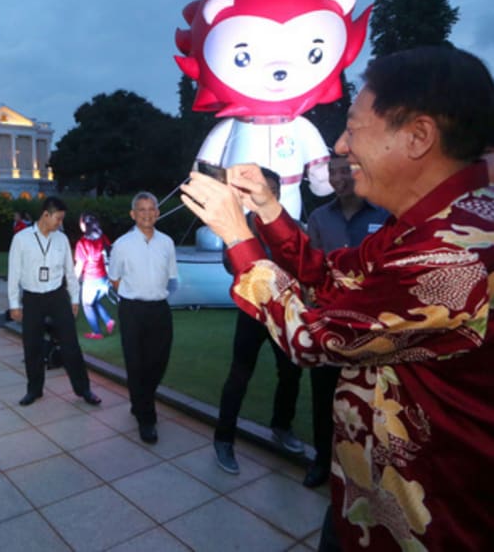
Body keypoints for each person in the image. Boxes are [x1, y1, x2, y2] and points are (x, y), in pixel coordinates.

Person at [181, 46, 494, 551]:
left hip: (423, 526)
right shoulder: (431, 228)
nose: (341, 145)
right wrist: (267, 207)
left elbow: (311, 339)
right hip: (368, 500)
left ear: (417, 136)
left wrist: (238, 237)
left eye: (353, 127)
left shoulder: (454, 256)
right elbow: (332, 277)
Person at [302, 155, 389, 489]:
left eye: (344, 170)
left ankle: (368, 471)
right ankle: (323, 461)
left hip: (372, 327)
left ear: (357, 171)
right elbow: (312, 269)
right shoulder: (320, 217)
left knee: (371, 401)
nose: (338, 177)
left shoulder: (383, 213)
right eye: (333, 172)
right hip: (330, 324)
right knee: (324, 398)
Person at [211, 168, 304, 475]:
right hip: (252, 314)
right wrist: (245, 252)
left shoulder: (288, 226)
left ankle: (282, 426)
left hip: (284, 315)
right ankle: (224, 440)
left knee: (291, 373)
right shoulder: (242, 226)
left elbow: (302, 264)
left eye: (275, 190)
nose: (271, 194)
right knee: (238, 376)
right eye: (266, 188)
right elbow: (229, 264)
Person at [7, 196, 102, 407]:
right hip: (32, 298)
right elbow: (14, 273)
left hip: (57, 296)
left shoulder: (61, 239)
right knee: (32, 346)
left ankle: (83, 389)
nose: (60, 223)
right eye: (58, 219)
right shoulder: (21, 239)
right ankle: (34, 390)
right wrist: (14, 303)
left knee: (71, 345)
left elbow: (70, 271)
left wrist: (74, 298)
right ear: (46, 215)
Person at [108, 192, 178, 444]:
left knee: (158, 362)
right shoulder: (122, 244)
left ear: (158, 213)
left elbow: (170, 277)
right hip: (132, 310)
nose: (147, 213)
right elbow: (114, 279)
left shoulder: (167, 243)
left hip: (159, 309)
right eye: (141, 209)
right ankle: (146, 417)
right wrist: (133, 296)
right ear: (133, 214)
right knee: (136, 363)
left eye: (151, 209)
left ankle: (140, 400)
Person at [74, 212, 115, 339]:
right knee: (94, 301)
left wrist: (72, 281)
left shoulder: (82, 243)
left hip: (91, 279)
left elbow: (79, 266)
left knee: (87, 304)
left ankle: (96, 332)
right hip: (104, 279)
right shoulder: (103, 237)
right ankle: (108, 320)